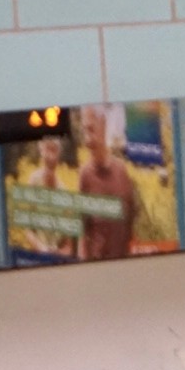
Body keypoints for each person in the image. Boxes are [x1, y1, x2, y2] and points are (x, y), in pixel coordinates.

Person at [76, 105, 136, 260]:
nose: (87, 140)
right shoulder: (85, 175)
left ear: (103, 124)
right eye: (84, 131)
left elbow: (130, 221)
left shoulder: (121, 171)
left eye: (91, 130)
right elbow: (82, 232)